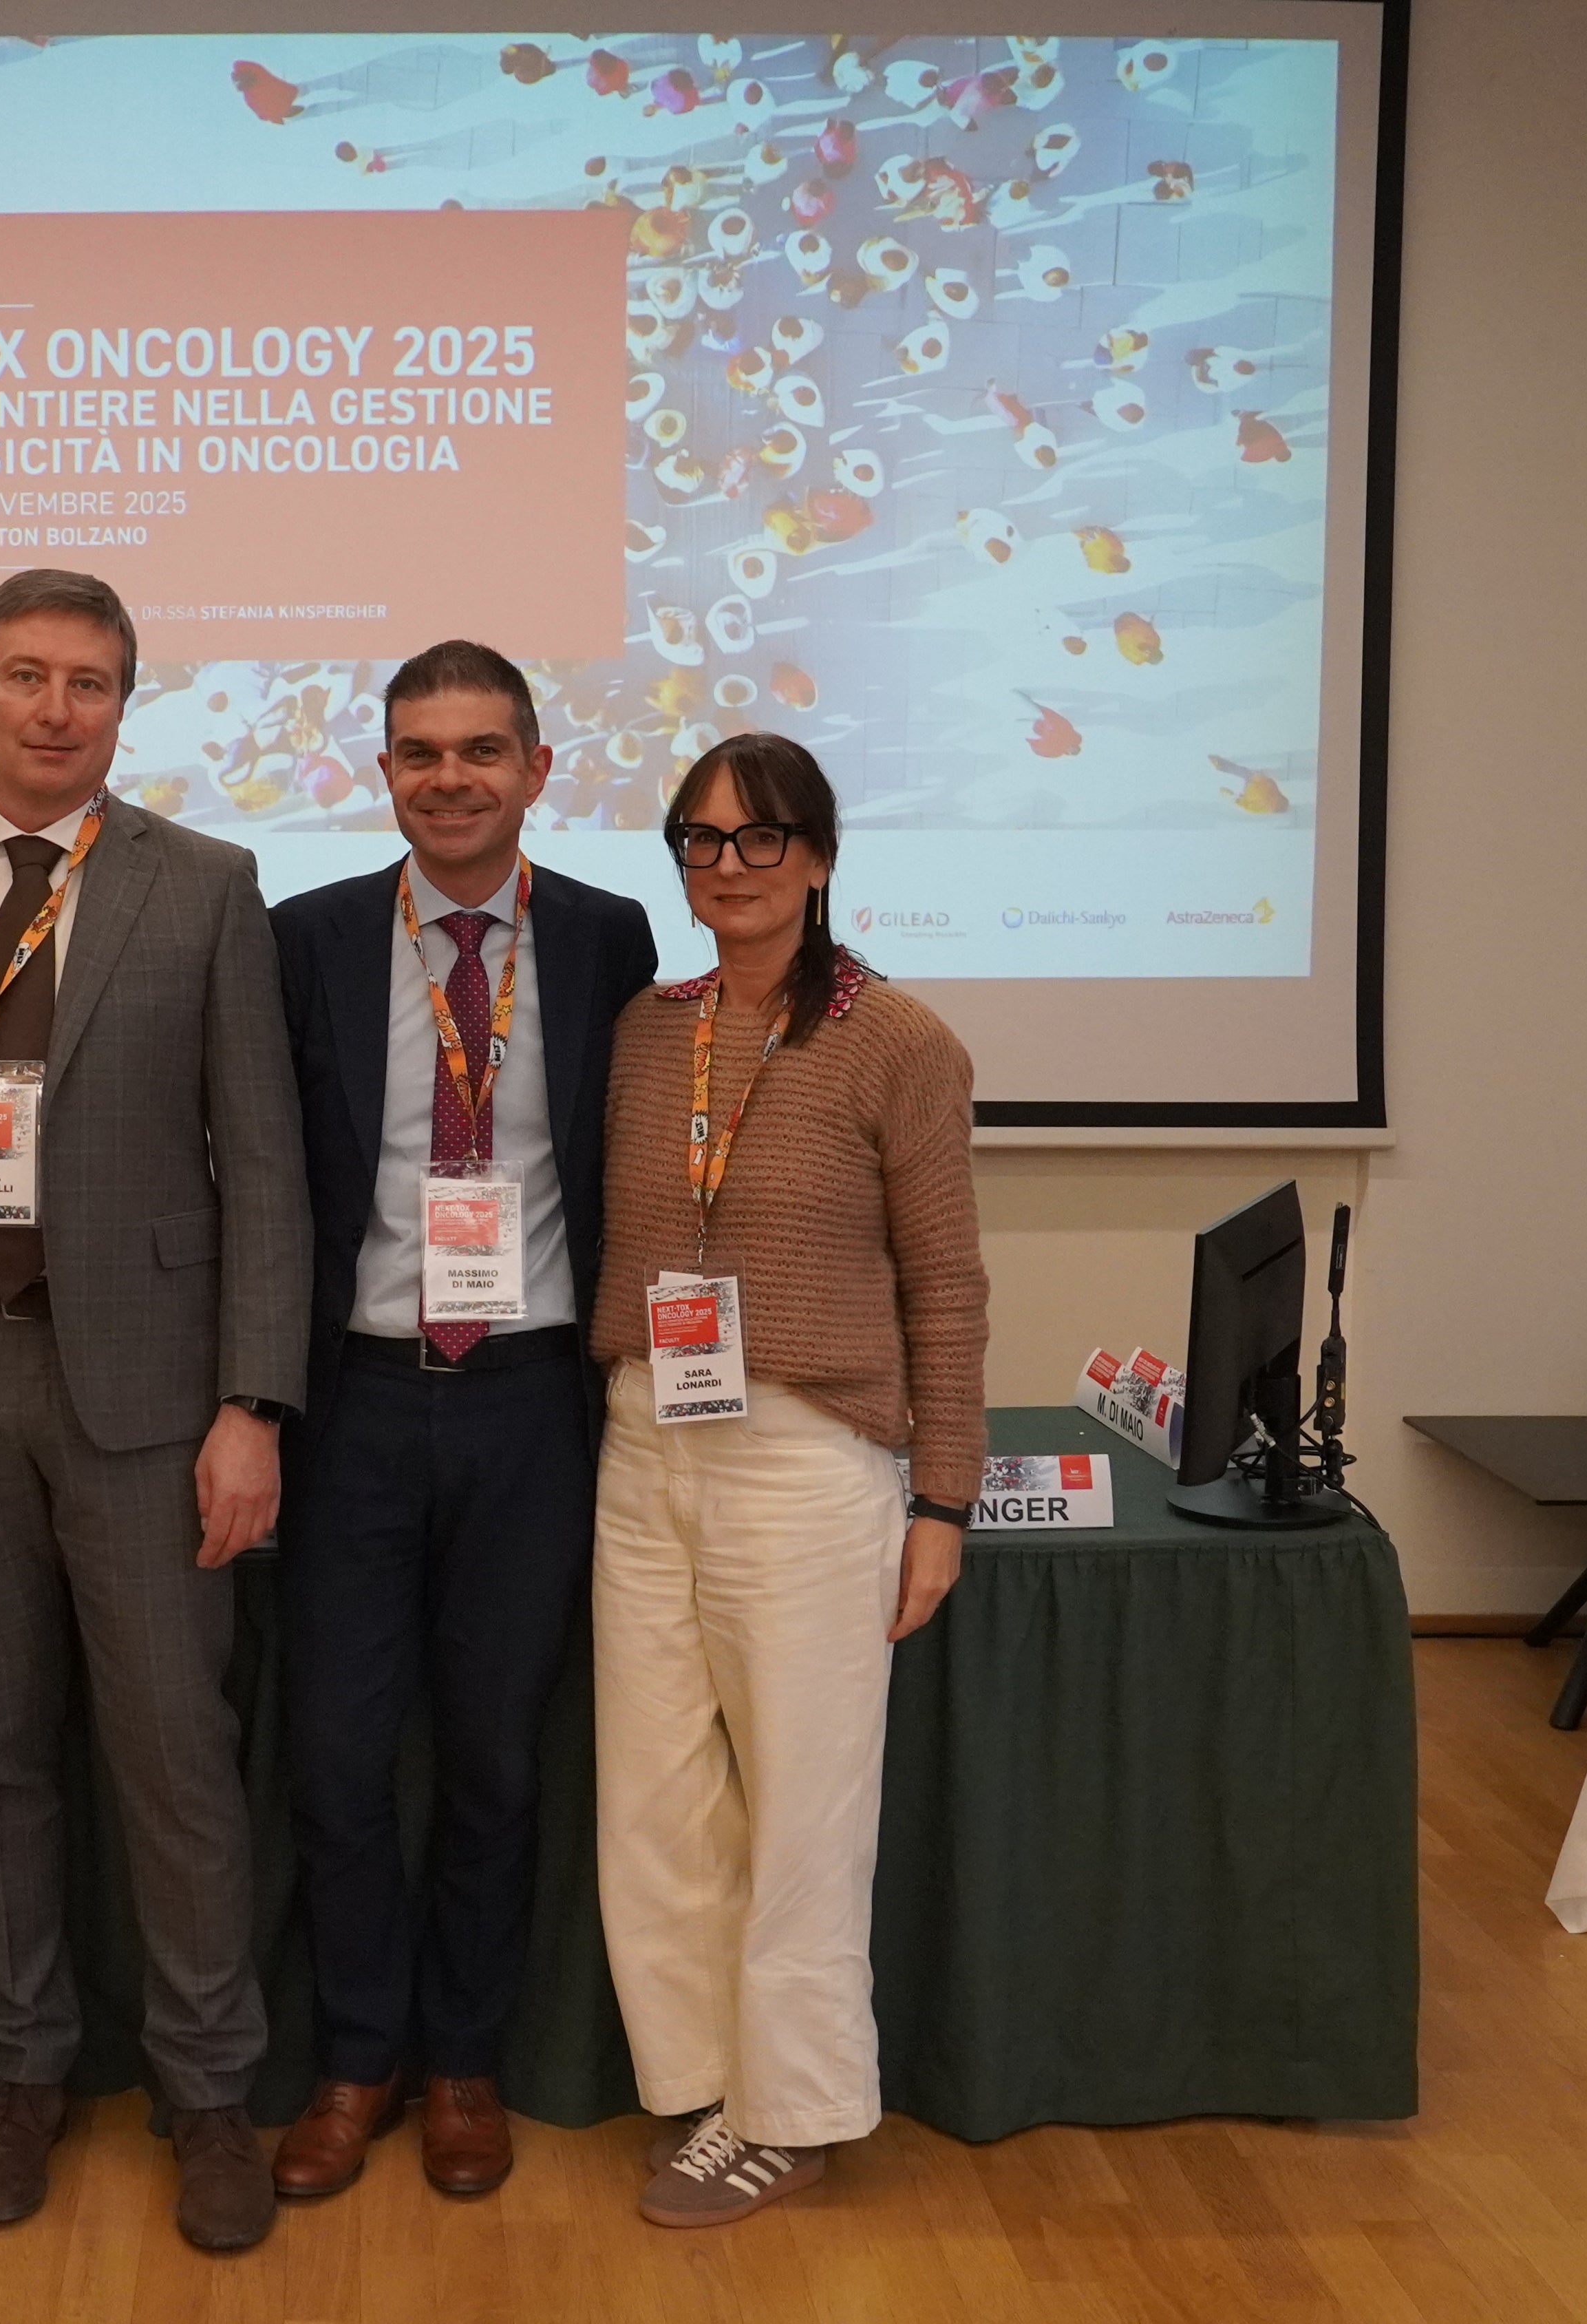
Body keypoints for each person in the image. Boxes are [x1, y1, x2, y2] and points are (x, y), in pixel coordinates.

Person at [0, 568, 312, 2254]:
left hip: (150, 1387)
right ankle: (21, 2068)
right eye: (25, 674)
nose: (54, 707)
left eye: (88, 681)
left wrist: (252, 1402)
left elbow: (265, 1160)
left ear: (123, 704)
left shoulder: (206, 883)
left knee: (176, 1750)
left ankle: (212, 2091)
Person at [264, 641, 656, 2199]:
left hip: (531, 1406)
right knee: (338, 1758)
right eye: (420, 753)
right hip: (352, 1404)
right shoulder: (308, 937)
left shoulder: (612, 938)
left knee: (496, 1758)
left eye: (482, 750)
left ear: (538, 769)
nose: (451, 779)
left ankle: (466, 2061)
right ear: (383, 774)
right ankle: (358, 2057)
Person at [586, 732, 986, 2229]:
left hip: (806, 1459)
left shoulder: (900, 1041)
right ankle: (708, 2084)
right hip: (644, 1438)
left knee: (806, 1811)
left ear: (817, 857)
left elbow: (947, 1285)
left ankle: (795, 2111)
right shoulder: (648, 1029)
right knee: (656, 1797)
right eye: (702, 840)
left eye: (763, 839)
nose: (730, 866)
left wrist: (943, 1500)